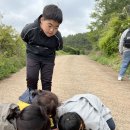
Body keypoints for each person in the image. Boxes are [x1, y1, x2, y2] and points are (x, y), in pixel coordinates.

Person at [21, 4, 63, 91]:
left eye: (56, 27)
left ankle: (46, 103)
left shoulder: (57, 37)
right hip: (33, 55)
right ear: (42, 20)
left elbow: (59, 47)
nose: (52, 30)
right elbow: (24, 37)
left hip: (48, 59)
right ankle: (31, 99)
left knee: (46, 81)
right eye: (49, 25)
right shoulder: (30, 28)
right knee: (31, 78)